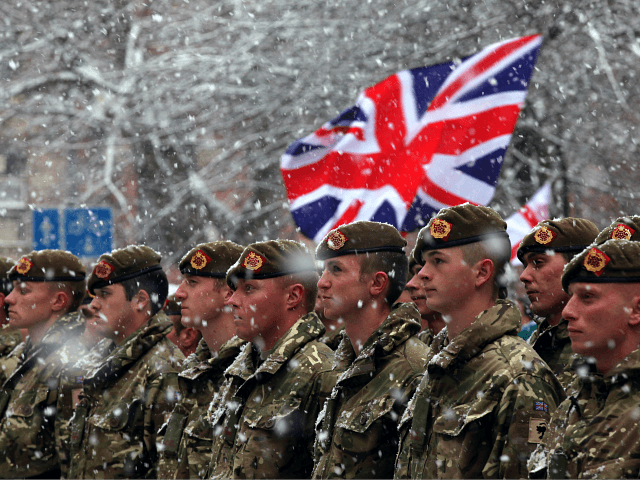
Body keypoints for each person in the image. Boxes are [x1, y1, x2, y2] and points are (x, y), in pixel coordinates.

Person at [395, 204, 565, 480]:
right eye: (424, 262)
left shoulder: (519, 376)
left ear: (482, 273)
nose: (423, 273)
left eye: (437, 261)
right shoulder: (436, 364)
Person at [207, 240, 336, 480]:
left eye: (249, 289)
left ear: (293, 296)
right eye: (235, 289)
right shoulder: (240, 370)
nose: (232, 300)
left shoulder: (322, 372)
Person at [313, 221, 430, 480]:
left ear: (377, 284)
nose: (322, 283)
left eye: (336, 270)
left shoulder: (413, 370)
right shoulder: (341, 364)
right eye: (324, 270)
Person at [66, 245, 184, 479]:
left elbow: (169, 468)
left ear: (140, 300)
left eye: (105, 295)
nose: (93, 305)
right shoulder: (99, 360)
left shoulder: (163, 368)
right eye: (94, 296)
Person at [528, 239, 640, 479]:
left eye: (587, 297)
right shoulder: (575, 402)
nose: (568, 311)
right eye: (571, 296)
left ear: (636, 310)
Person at [157, 241, 246, 480]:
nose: (179, 293)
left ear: (228, 293)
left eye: (193, 283)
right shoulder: (194, 371)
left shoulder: (249, 374)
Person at [0, 250, 87, 479]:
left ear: (58, 301)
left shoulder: (72, 362)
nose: (9, 298)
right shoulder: (25, 354)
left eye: (23, 291)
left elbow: (73, 460)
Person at [517, 218, 598, 390]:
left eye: (537, 262)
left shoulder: (604, 348)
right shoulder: (528, 345)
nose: (524, 275)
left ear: (577, 267)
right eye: (525, 264)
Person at [405, 257, 445, 346]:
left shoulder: (478, 348)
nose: (410, 284)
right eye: (414, 274)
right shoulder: (413, 349)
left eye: (424, 276)